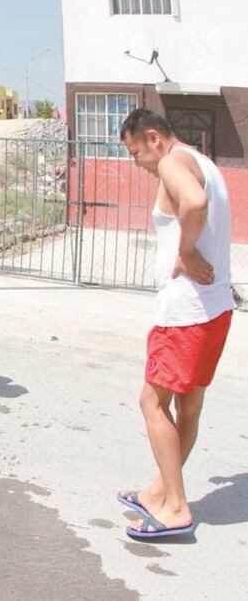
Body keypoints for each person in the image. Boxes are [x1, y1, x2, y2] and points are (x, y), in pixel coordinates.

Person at [117, 108, 234, 538]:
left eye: (135, 153)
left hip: (185, 314)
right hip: (215, 309)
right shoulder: (206, 164)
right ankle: (158, 492)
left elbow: (194, 203)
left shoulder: (171, 161)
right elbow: (202, 202)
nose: (138, 164)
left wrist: (184, 253)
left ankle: (176, 508)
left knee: (151, 404)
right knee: (188, 407)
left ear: (153, 138)